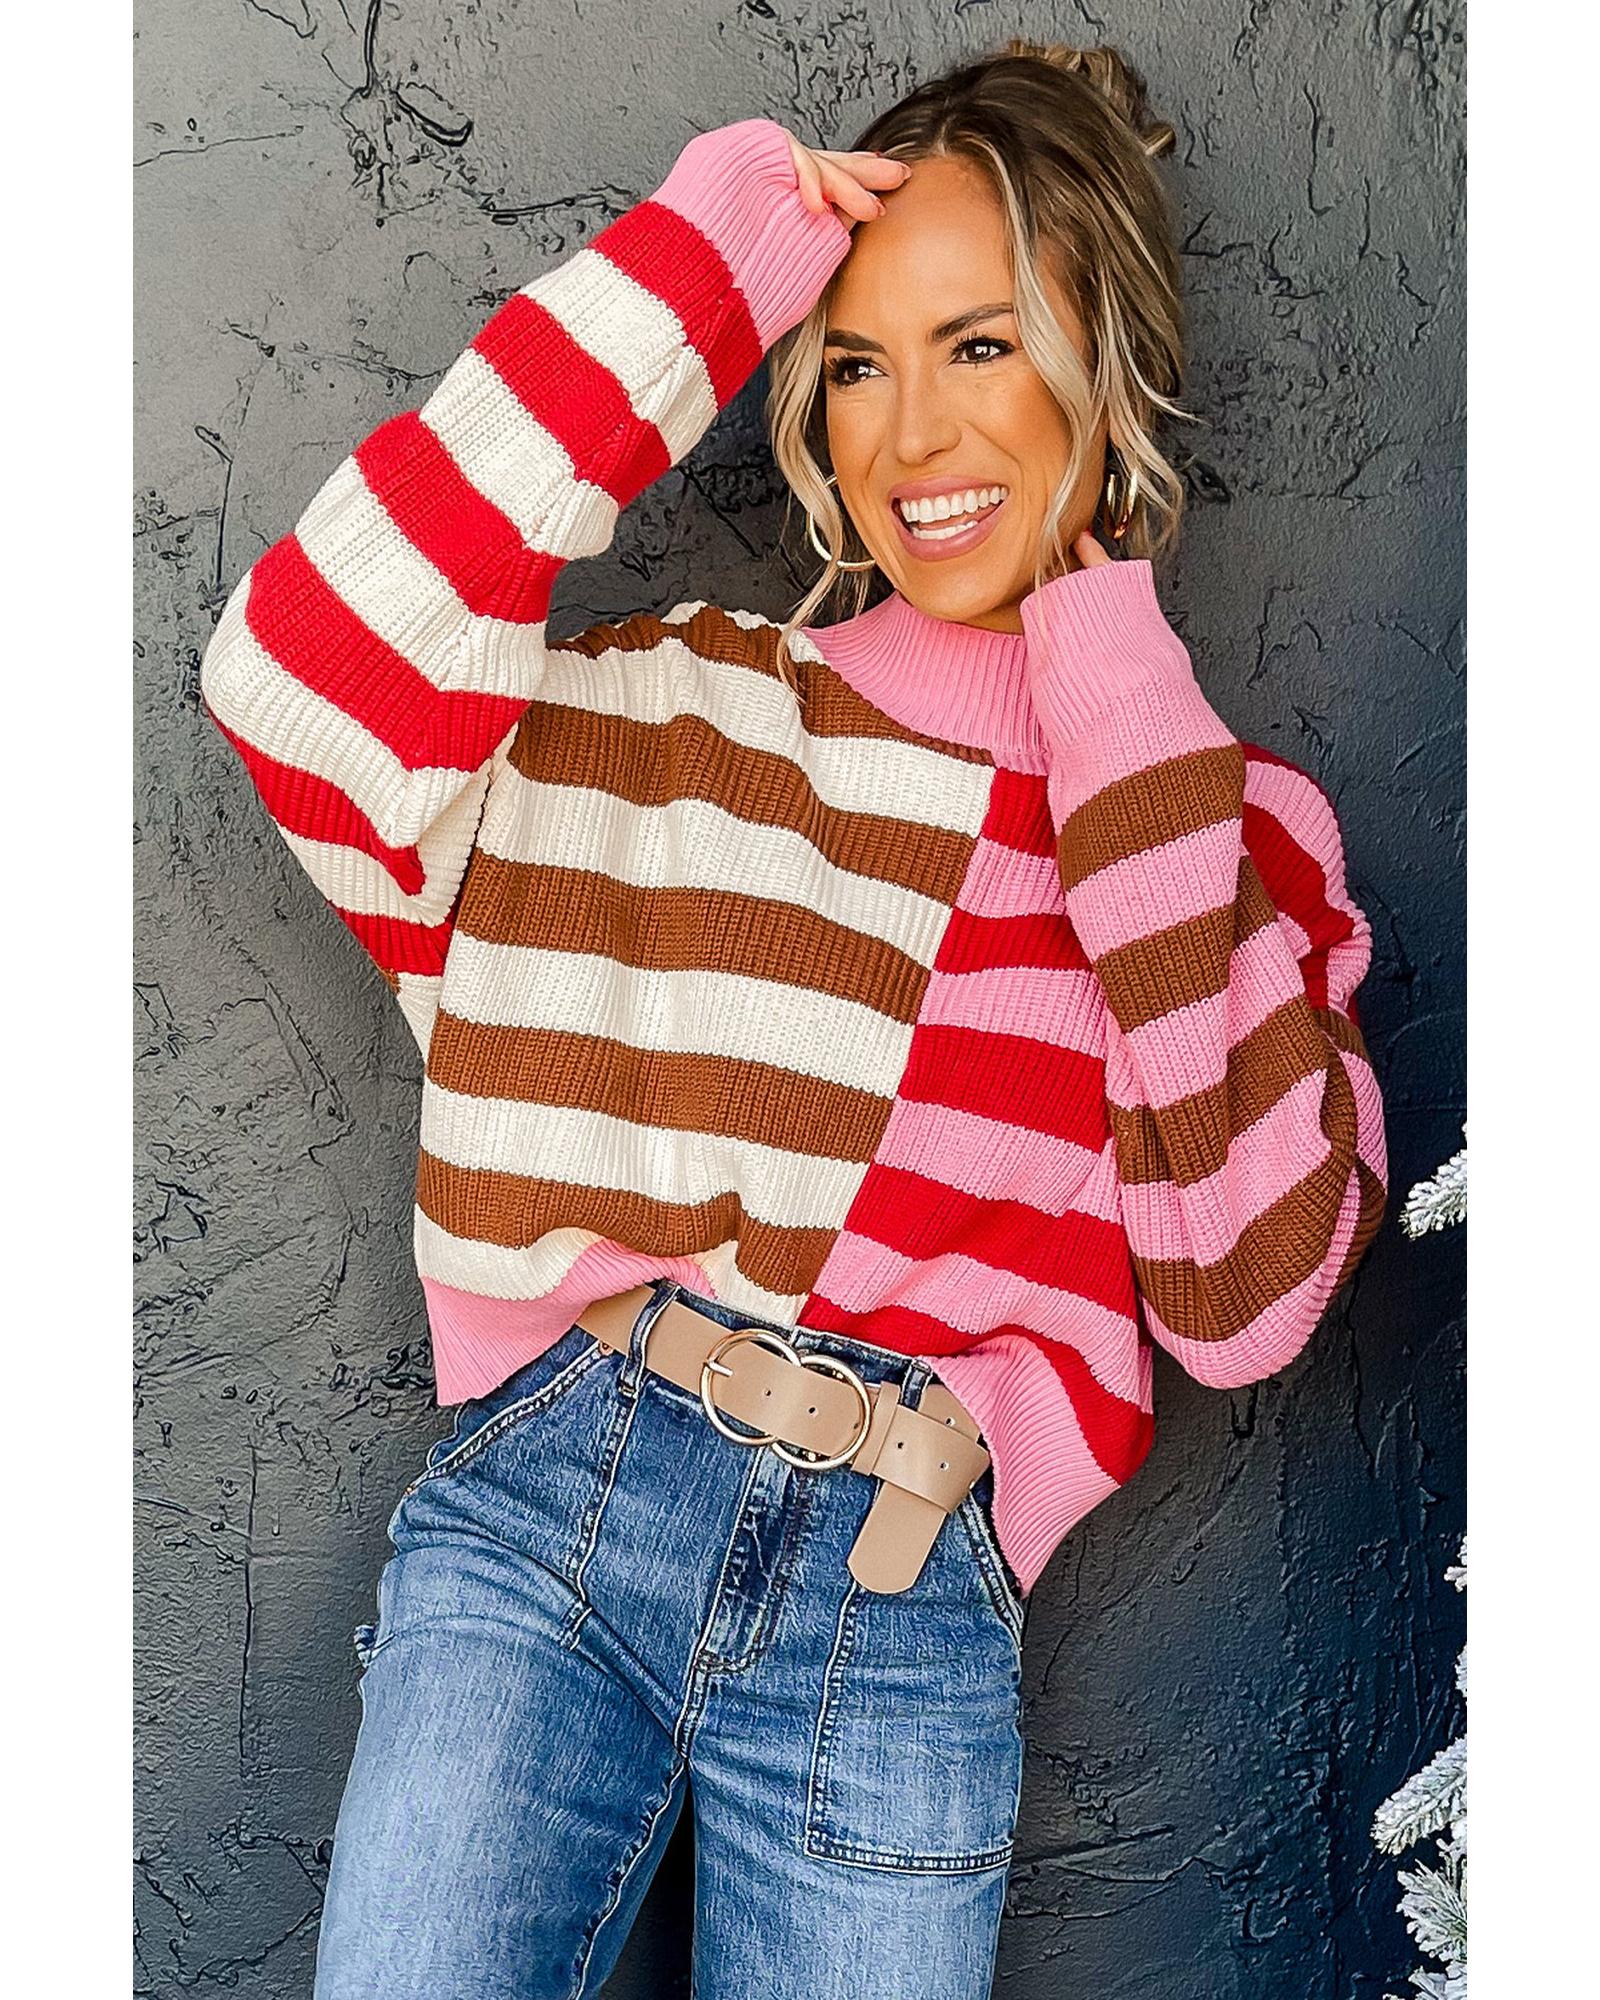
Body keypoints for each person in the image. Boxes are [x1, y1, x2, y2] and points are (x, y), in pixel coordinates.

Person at [197, 37, 1388, 2000]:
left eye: (982, 343)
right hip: (555, 1509)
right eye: (851, 361)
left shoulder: (1225, 834)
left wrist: (1114, 707)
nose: (912, 429)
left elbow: (1241, 1295)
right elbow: (300, 677)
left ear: (1106, 362)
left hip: (900, 1599)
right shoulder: (674, 714)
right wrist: (706, 259)